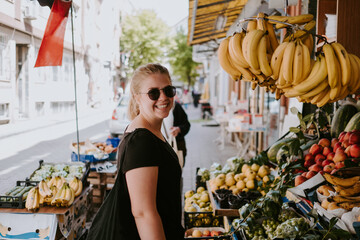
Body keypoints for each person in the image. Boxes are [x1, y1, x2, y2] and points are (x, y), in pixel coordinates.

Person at [87, 63, 184, 240]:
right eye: (153, 92)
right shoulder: (142, 140)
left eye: (168, 90)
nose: (163, 97)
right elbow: (143, 213)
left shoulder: (151, 131)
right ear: (137, 97)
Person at [162, 101, 190, 165]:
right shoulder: (150, 108)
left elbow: (186, 125)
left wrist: (179, 129)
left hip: (176, 145)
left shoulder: (175, 106)